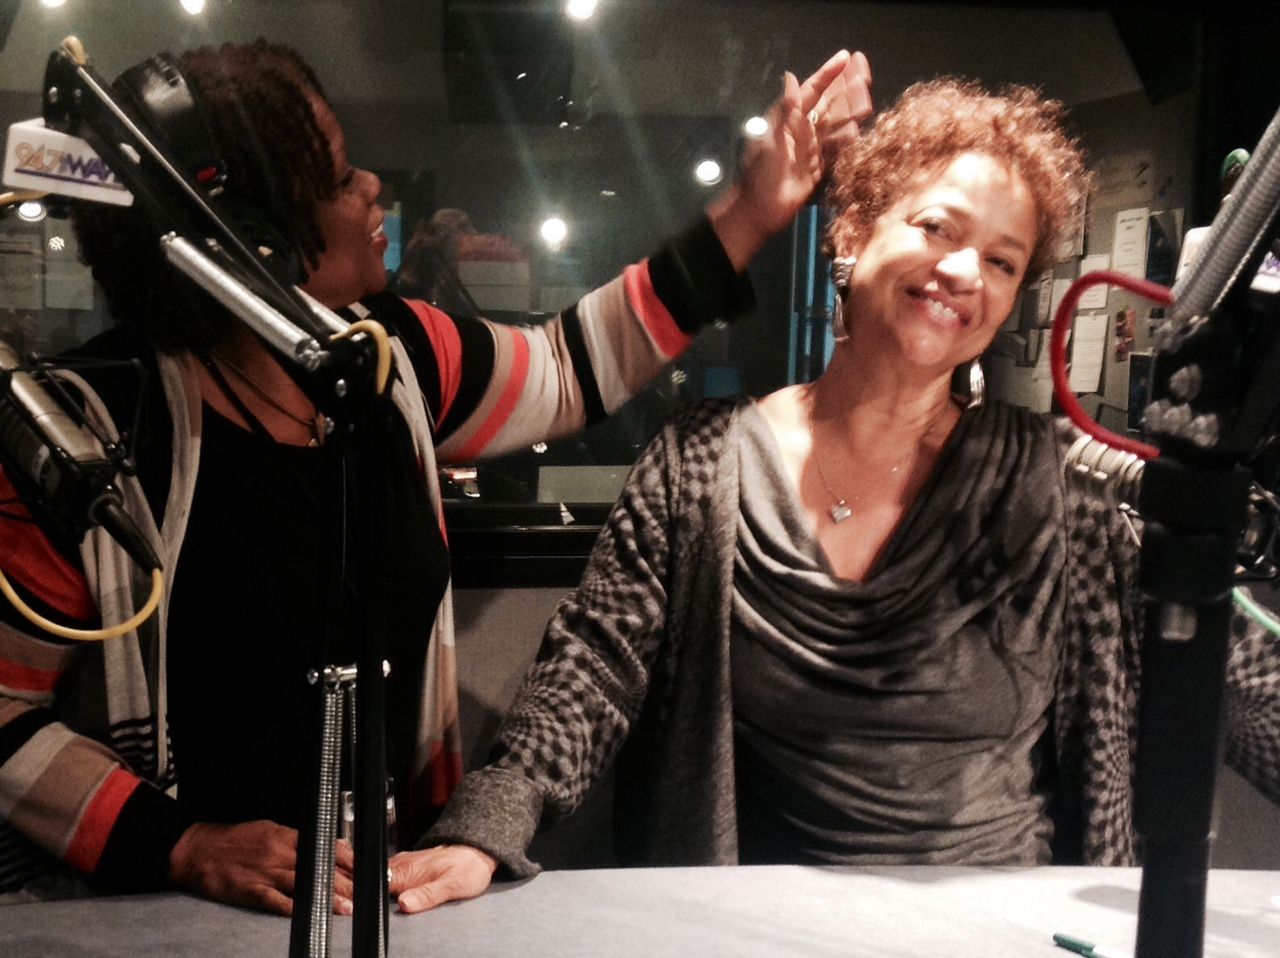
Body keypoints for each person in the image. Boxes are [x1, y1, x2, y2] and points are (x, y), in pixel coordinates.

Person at [0, 40, 874, 913]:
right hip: (161, 912)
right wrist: (183, 845)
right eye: (339, 177)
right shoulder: (88, 436)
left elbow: (572, 367)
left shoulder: (392, 355)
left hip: (379, 890)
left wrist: (753, 213)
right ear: (256, 234)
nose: (372, 186)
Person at [407, 78, 1280, 911]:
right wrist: (489, 822)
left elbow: (1238, 676)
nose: (965, 271)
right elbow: (592, 668)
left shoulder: (1061, 489)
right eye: (937, 227)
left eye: (1002, 260)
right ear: (854, 227)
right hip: (755, 933)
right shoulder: (699, 462)